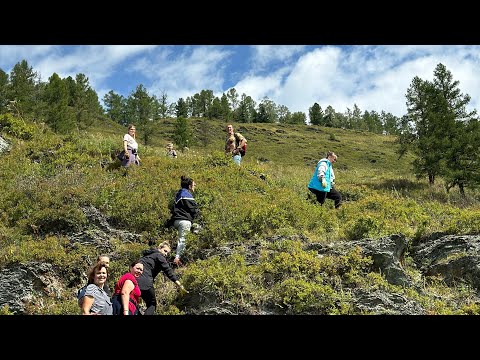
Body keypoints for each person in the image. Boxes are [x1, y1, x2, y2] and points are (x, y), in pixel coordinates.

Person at [137, 241, 188, 315]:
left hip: (133, 281)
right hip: (145, 282)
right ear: (160, 248)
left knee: (133, 302)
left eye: (167, 253)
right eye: (165, 251)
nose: (166, 254)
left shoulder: (146, 256)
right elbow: (168, 271)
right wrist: (179, 285)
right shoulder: (159, 255)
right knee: (152, 305)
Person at [169, 175, 199, 266]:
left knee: (182, 238)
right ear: (189, 186)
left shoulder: (178, 193)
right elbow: (194, 209)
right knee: (183, 239)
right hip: (184, 221)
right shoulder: (186, 195)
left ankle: (176, 256)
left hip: (176, 221)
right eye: (193, 185)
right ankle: (177, 258)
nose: (195, 186)